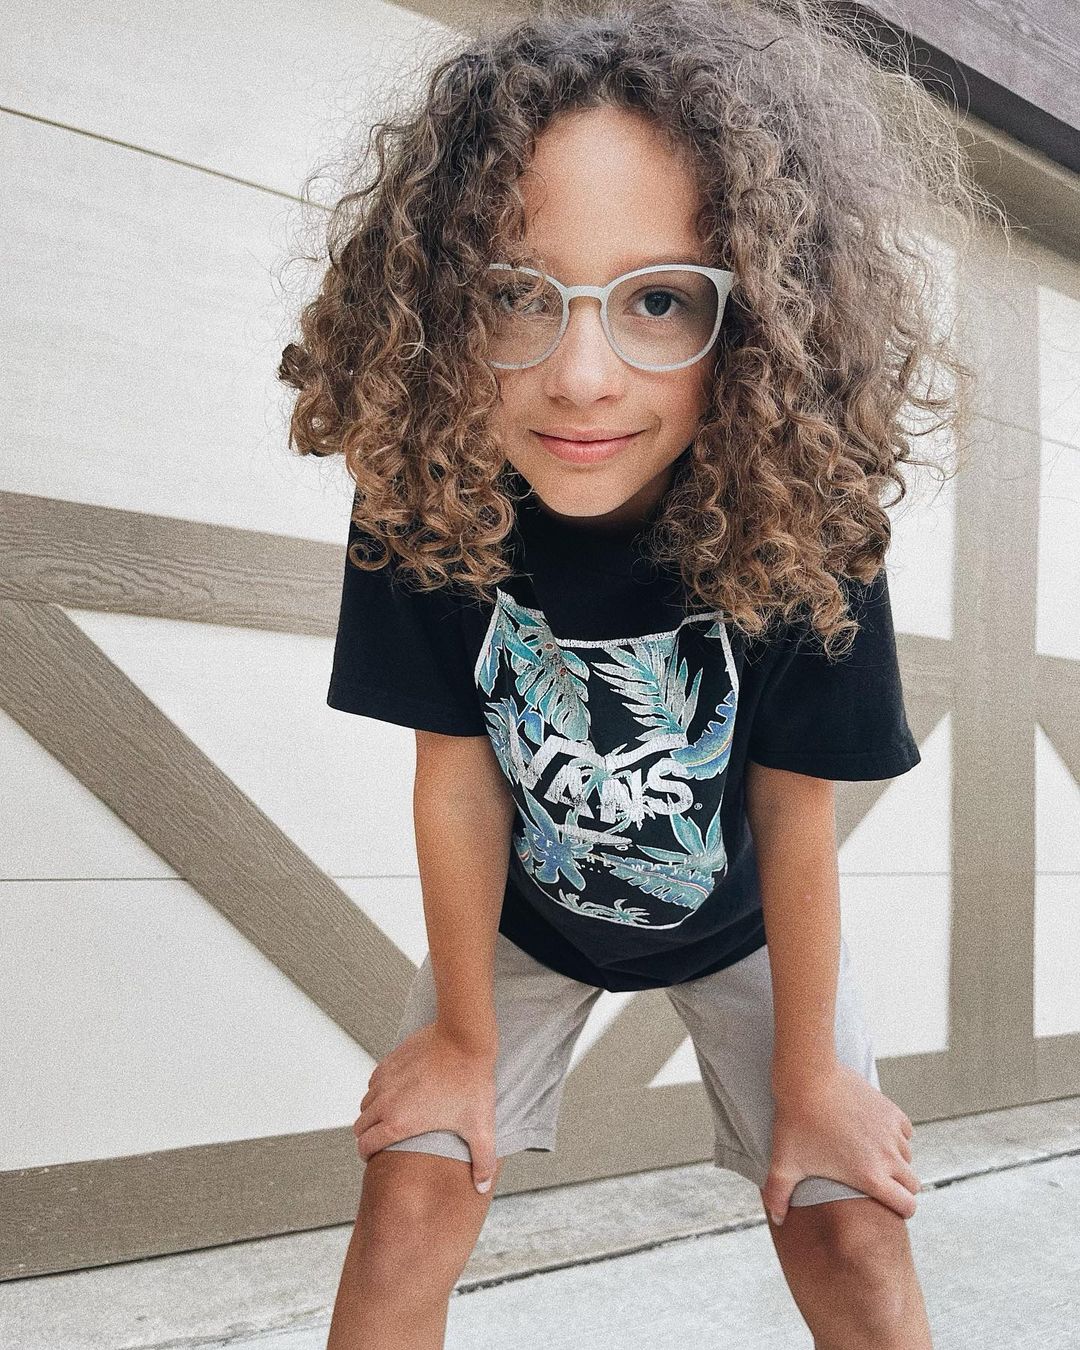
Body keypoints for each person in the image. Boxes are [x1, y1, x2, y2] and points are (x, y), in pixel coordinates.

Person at [278, 1, 995, 1344]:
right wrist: (461, 1043)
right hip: (526, 919)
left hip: (746, 921)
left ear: (763, 323)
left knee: (851, 1222)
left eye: (660, 299)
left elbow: (793, 810)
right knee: (409, 1201)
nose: (582, 376)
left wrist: (812, 1078)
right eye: (515, 294)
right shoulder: (429, 493)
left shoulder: (801, 514)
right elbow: (457, 782)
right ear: (437, 307)